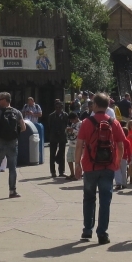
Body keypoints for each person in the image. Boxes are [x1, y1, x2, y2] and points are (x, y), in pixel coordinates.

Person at [76, 93, 127, 243]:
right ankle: (102, 233)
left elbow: (79, 144)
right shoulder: (114, 123)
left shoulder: (86, 122)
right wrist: (117, 161)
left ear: (96, 105)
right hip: (108, 166)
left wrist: (78, 164)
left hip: (90, 166)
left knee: (89, 198)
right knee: (105, 199)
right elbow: (120, 145)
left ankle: (87, 230)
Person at [0, 92, 26, 198]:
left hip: (0, 143)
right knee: (12, 168)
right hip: (12, 143)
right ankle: (12, 191)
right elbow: (24, 127)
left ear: (6, 100)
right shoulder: (17, 112)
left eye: (0, 99)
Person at [47, 100, 69, 179]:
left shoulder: (65, 115)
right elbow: (49, 126)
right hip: (53, 136)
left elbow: (67, 124)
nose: (58, 109)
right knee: (52, 154)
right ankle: (53, 171)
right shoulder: (51, 116)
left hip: (62, 136)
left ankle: (61, 171)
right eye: (56, 107)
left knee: (61, 154)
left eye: (59, 107)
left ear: (62, 107)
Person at [65, 111, 81, 180]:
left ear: (76, 118)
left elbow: (80, 133)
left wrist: (73, 130)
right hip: (71, 143)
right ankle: (72, 173)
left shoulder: (81, 124)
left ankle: (78, 175)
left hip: (78, 145)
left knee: (77, 161)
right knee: (69, 158)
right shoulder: (72, 124)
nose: (72, 121)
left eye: (72, 119)